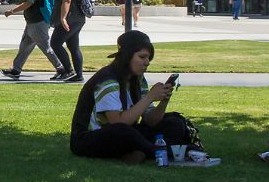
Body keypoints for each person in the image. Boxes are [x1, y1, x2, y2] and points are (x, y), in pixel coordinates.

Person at [70, 30, 189, 164]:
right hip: (89, 138)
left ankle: (141, 152)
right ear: (127, 57)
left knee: (174, 122)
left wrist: (164, 99)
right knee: (123, 132)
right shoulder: (107, 80)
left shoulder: (138, 79)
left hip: (126, 131)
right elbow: (118, 122)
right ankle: (157, 152)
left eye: (148, 58)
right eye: (142, 57)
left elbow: (151, 121)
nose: (147, 62)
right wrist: (149, 97)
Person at [1, 0, 66, 79]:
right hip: (32, 23)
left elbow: (28, 3)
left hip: (37, 23)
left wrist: (11, 11)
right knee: (24, 47)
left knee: (46, 48)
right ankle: (16, 70)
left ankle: (62, 69)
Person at [51, 0, 87, 83]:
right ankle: (78, 75)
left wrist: (63, 18)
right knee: (73, 46)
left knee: (55, 43)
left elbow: (67, 1)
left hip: (70, 19)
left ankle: (68, 70)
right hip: (78, 18)